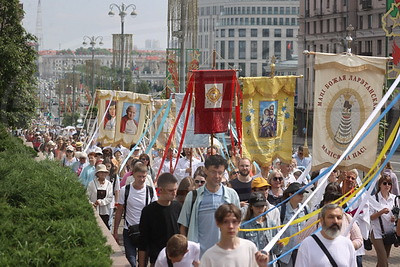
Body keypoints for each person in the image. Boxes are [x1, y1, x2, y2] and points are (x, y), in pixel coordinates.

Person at [178, 155, 240, 256]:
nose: (217, 176)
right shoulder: (193, 196)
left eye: (220, 173)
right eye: (213, 172)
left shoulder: (232, 195)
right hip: (200, 256)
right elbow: (183, 226)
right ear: (206, 171)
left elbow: (238, 224)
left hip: (226, 254)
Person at [113, 163, 158, 267]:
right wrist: (115, 231)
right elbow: (119, 210)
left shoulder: (150, 191)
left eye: (144, 177)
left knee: (143, 263)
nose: (142, 179)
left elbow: (155, 211)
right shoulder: (125, 190)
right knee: (131, 260)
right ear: (133, 175)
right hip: (129, 230)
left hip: (145, 231)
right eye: (139, 176)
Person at [200, 204, 269, 267]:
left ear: (239, 223)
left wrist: (262, 266)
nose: (230, 226)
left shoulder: (250, 247)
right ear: (218, 223)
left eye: (234, 221)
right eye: (225, 222)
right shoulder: (209, 257)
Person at [138, 173, 182, 267]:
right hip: (157, 261)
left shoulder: (178, 207)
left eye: (175, 189)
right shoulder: (148, 211)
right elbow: (143, 242)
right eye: (170, 190)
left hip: (177, 261)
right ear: (160, 190)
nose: (174, 193)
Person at [239, 193, 282, 266]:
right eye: (257, 206)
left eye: (262, 206)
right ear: (251, 207)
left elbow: (276, 252)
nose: (260, 209)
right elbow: (241, 250)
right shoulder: (244, 226)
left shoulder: (272, 224)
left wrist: (280, 246)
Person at [369, 175, 397, 267]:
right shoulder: (373, 198)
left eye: (389, 183)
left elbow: (397, 214)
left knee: (382, 261)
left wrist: (395, 218)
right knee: (384, 259)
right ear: (380, 185)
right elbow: (371, 217)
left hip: (389, 232)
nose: (387, 185)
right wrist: (381, 212)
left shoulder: (394, 198)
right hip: (377, 232)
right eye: (384, 183)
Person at [279, 183, 309, 267]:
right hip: (286, 252)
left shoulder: (305, 208)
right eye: (299, 193)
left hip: (302, 250)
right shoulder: (282, 209)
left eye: (302, 194)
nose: (302, 196)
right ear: (290, 194)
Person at [86, 164, 113, 229]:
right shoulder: (92, 183)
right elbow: (86, 196)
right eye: (101, 172)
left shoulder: (109, 184)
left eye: (104, 172)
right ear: (97, 174)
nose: (103, 174)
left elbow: (110, 198)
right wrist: (92, 204)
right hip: (94, 211)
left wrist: (100, 202)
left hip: (105, 211)